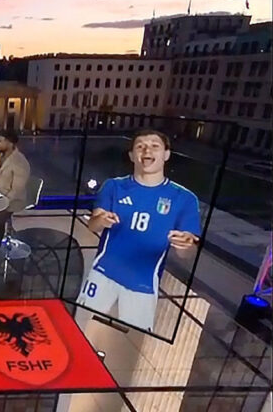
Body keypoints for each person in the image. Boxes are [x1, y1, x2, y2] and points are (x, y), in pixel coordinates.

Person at [77, 129, 200, 332]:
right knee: (80, 326)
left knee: (133, 338)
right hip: (103, 273)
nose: (146, 150)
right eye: (140, 146)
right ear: (132, 155)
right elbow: (93, 226)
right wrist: (101, 220)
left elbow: (186, 253)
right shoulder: (113, 186)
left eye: (154, 146)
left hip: (143, 283)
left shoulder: (184, 199)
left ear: (166, 154)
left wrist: (185, 244)